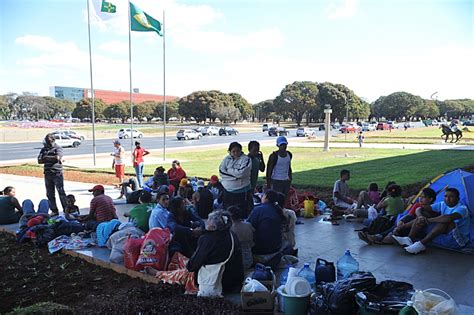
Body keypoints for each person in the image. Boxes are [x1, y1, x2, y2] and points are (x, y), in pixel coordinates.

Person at [396, 188, 470, 254]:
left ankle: (421, 244)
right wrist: (420, 216)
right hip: (442, 235)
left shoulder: (462, 208)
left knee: (445, 221)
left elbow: (448, 218)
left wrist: (428, 220)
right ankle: (409, 239)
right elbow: (419, 208)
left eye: (451, 197)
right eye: (446, 196)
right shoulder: (442, 204)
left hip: (456, 241)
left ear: (458, 198)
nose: (447, 199)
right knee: (424, 214)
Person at [187, 210, 244, 297]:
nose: (206, 221)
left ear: (213, 227)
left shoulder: (207, 239)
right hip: (234, 282)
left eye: (209, 220)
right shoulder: (232, 235)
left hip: (218, 283)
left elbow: (192, 266)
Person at [359, 188, 436, 245]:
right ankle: (376, 237)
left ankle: (376, 237)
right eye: (420, 196)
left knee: (391, 230)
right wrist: (401, 222)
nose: (420, 199)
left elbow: (378, 208)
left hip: (414, 229)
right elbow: (409, 215)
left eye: (423, 197)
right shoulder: (416, 205)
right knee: (394, 227)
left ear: (430, 199)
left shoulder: (433, 209)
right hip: (403, 224)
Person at [248, 190, 288, 269]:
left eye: (263, 196)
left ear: (266, 198)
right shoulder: (278, 210)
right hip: (276, 248)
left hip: (261, 250)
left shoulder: (259, 209)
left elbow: (249, 226)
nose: (261, 197)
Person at [219, 142, 252, 218]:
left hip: (242, 192)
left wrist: (229, 170)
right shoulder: (226, 159)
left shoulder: (246, 159)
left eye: (238, 151)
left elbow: (242, 173)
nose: (236, 153)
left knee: (242, 214)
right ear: (230, 151)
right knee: (229, 214)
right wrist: (235, 176)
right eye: (233, 151)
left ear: (241, 150)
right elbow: (221, 171)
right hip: (228, 192)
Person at [38, 133, 67, 216]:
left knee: (61, 192)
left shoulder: (58, 148)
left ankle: (66, 209)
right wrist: (51, 158)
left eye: (49, 141)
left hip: (57, 173)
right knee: (50, 193)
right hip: (47, 173)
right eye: (47, 141)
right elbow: (39, 160)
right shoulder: (44, 149)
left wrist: (45, 158)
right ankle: (54, 210)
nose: (48, 143)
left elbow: (58, 158)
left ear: (53, 141)